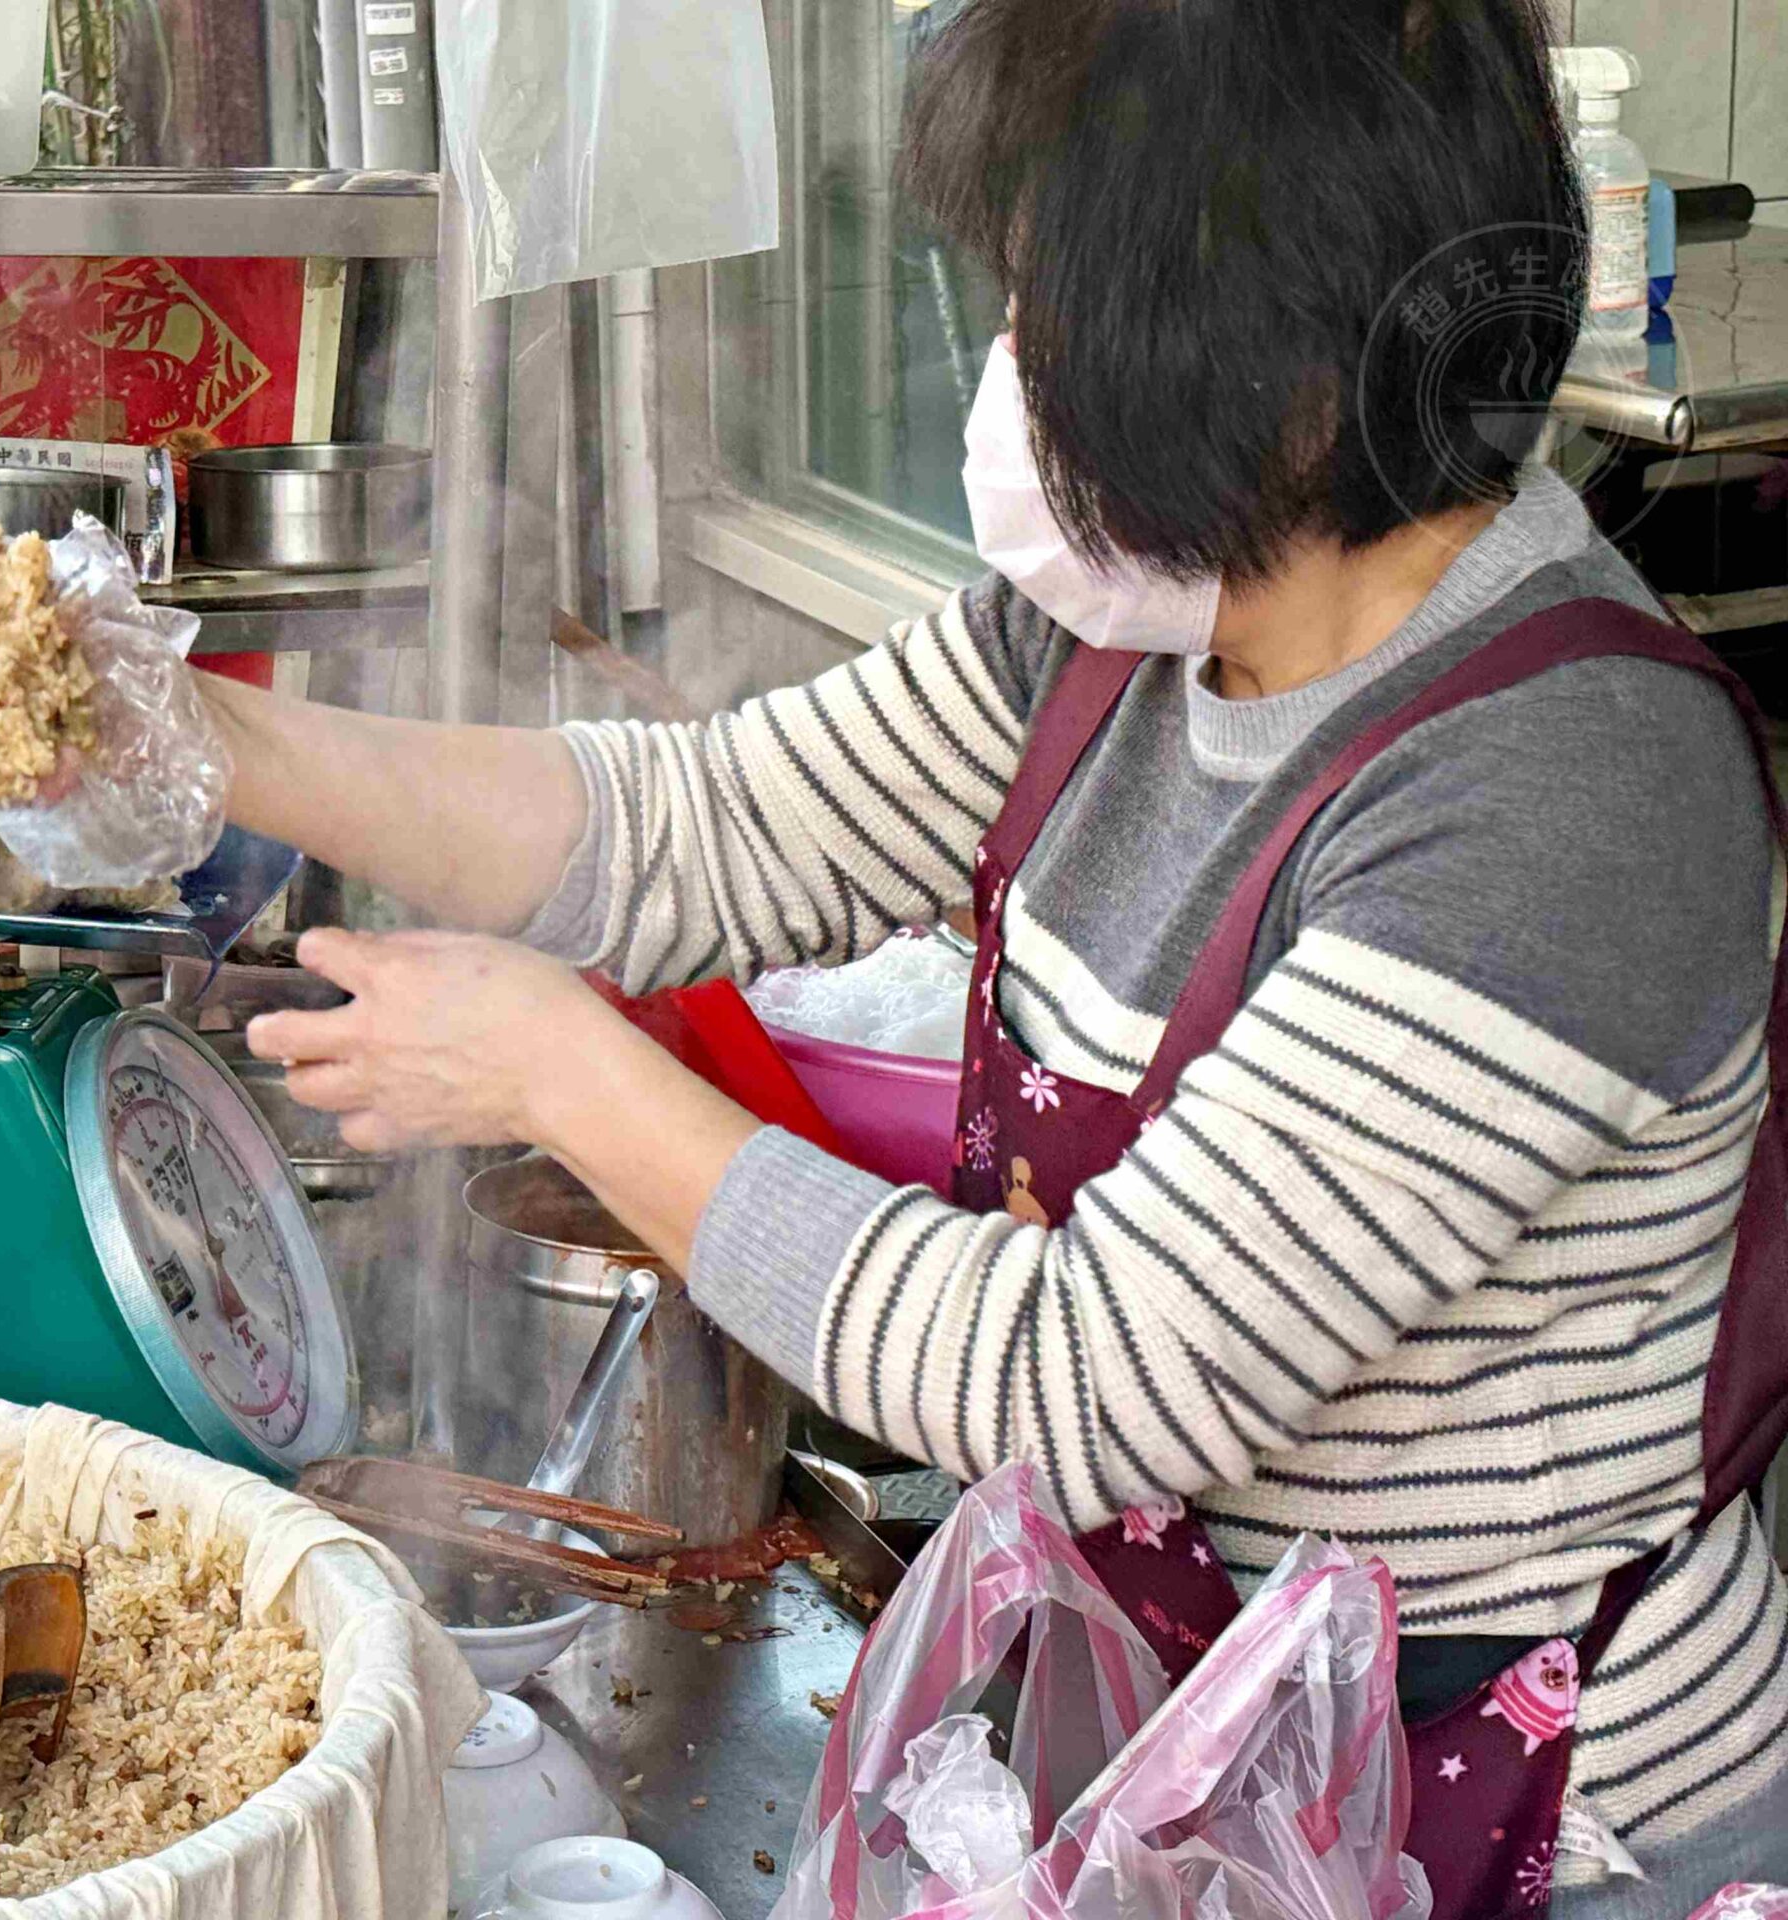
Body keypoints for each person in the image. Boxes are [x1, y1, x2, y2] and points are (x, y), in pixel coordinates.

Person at [202, 0, 1788, 1909]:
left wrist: (560, 1071)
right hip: (1222, 1771)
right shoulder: (1132, 628)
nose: (1014, 363)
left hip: (1539, 1829)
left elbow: (1087, 1382)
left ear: (1265, 345)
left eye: (1052, 299)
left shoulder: (1559, 786)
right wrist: (213, 743)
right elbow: (693, 829)